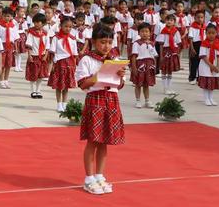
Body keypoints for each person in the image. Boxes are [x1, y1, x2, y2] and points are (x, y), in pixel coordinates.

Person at [76, 24, 126, 195]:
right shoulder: (87, 59)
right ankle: (88, 178)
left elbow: (119, 85)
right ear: (94, 42)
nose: (106, 46)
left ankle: (99, 175)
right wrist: (98, 76)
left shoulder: (114, 59)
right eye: (103, 42)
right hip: (95, 100)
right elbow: (82, 83)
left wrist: (119, 76)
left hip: (111, 100)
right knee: (93, 140)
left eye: (110, 42)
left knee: (104, 141)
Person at [48, 16, 78, 112]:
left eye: (70, 27)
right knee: (59, 85)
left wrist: (75, 66)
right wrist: (51, 66)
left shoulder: (73, 39)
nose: (68, 29)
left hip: (69, 63)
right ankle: (58, 104)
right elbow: (52, 53)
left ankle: (64, 104)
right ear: (61, 26)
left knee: (66, 86)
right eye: (66, 26)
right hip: (59, 63)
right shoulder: (56, 38)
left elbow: (74, 54)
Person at [130, 23, 157, 108]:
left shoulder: (152, 44)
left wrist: (154, 66)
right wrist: (133, 68)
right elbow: (134, 56)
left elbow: (154, 56)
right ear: (138, 33)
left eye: (146, 31)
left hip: (149, 65)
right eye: (142, 31)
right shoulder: (136, 43)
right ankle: (138, 100)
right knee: (138, 84)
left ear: (150, 33)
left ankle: (147, 101)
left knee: (146, 84)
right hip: (140, 65)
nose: (144, 33)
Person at [25, 13, 49, 99]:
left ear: (43, 23)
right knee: (33, 75)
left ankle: (38, 90)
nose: (36, 24)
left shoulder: (45, 34)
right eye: (35, 22)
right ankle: (33, 91)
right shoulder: (31, 33)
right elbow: (29, 45)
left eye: (38, 22)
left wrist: (45, 56)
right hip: (34, 56)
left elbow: (47, 47)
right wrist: (29, 55)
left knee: (40, 75)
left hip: (42, 56)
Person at [156, 14, 181, 94]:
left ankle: (169, 87)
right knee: (164, 70)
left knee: (170, 70)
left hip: (173, 51)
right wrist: (161, 55)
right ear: (165, 21)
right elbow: (161, 44)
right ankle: (165, 88)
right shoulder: (163, 31)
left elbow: (178, 43)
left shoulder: (176, 31)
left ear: (174, 22)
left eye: (171, 20)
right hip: (165, 51)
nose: (169, 21)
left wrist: (177, 53)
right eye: (167, 20)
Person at [198, 24, 219, 106]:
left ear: (216, 33)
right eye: (209, 33)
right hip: (206, 65)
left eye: (213, 33)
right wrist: (211, 66)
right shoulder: (204, 43)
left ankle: (211, 98)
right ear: (206, 33)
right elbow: (203, 56)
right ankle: (206, 98)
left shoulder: (218, 43)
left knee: (212, 83)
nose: (211, 35)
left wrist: (218, 66)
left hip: (215, 66)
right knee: (206, 83)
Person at [0, 7, 19, 89]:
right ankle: (1, 81)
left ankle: (6, 80)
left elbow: (15, 38)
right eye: (6, 16)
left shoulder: (13, 26)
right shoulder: (0, 26)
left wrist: (16, 48)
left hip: (10, 46)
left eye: (9, 16)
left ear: (12, 17)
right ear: (2, 16)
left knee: (8, 65)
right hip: (2, 46)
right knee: (2, 65)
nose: (8, 18)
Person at [188, 10, 206, 84]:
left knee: (201, 63)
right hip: (194, 45)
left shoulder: (205, 27)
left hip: (203, 46)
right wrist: (192, 48)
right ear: (195, 18)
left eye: (202, 17)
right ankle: (192, 77)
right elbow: (191, 38)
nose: (200, 19)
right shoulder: (192, 27)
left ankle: (199, 78)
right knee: (194, 63)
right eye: (198, 17)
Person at [13, 6, 28, 72]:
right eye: (21, 11)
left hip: (22, 36)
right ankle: (16, 66)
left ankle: (19, 66)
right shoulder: (13, 20)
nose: (22, 13)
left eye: (23, 12)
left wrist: (26, 36)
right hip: (16, 36)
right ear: (17, 12)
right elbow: (13, 29)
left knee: (20, 53)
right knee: (16, 52)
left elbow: (25, 29)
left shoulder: (24, 21)